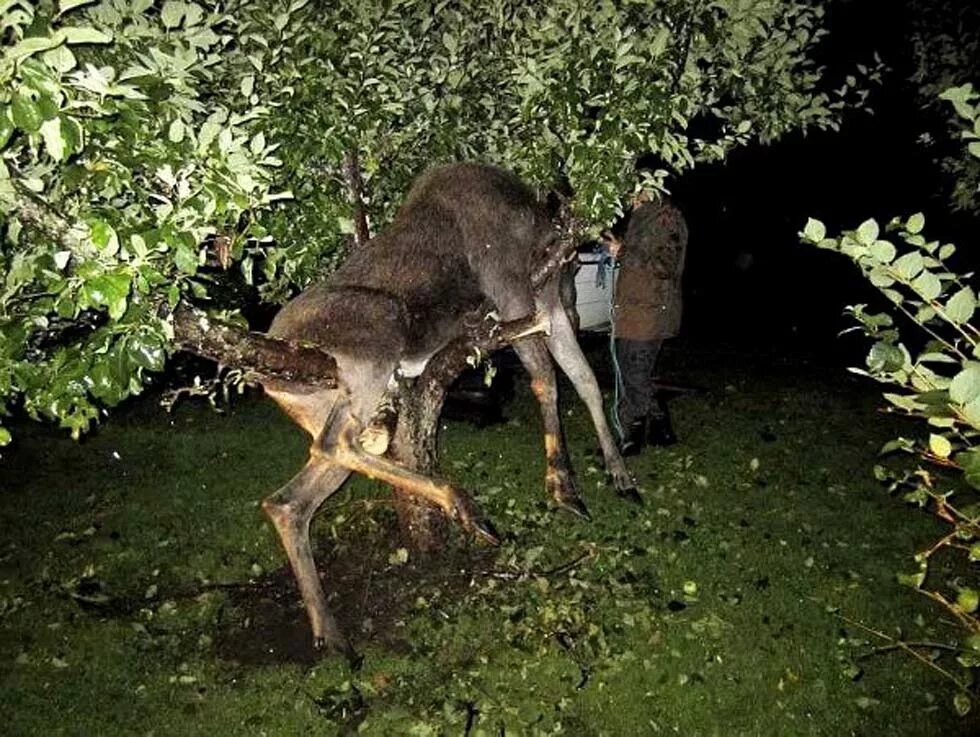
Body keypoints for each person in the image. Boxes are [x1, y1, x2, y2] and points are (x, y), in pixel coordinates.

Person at [604, 191, 688, 455]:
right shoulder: (640, 217)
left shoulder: (666, 218)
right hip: (632, 312)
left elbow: (666, 265)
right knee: (632, 375)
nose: (628, 194)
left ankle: (632, 438)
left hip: (651, 313)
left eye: (635, 188)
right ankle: (662, 431)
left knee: (635, 374)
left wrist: (624, 251)